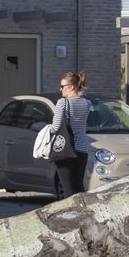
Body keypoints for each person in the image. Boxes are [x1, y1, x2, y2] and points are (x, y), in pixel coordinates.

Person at [50, 71, 94, 199]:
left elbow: (56, 127)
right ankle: (83, 213)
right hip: (82, 149)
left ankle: (71, 215)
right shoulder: (87, 103)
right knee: (79, 187)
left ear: (71, 86)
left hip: (66, 149)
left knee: (68, 188)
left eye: (62, 86)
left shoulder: (62, 102)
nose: (60, 89)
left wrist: (46, 129)